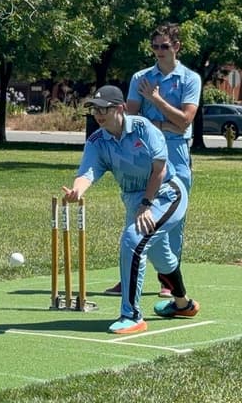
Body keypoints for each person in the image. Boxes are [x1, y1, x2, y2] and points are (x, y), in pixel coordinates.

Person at [61, 85, 199, 334]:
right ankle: (183, 304)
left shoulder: (144, 128)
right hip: (135, 201)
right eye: (95, 110)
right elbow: (87, 172)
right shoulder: (97, 141)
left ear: (121, 108)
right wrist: (77, 191)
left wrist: (146, 205)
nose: (99, 114)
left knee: (133, 240)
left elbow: (160, 170)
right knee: (161, 255)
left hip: (166, 194)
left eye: (104, 109)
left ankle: (132, 315)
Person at [103, 23, 202, 298]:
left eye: (164, 46)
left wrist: (156, 100)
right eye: (155, 46)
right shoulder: (141, 77)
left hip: (177, 154)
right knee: (136, 211)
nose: (159, 51)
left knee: (173, 219)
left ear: (176, 47)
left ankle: (168, 282)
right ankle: (128, 277)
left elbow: (185, 121)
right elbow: (132, 119)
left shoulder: (190, 78)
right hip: (145, 153)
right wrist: (162, 124)